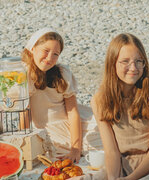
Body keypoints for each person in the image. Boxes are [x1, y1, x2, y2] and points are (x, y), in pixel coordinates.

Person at [63, 34, 149, 180]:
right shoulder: (100, 100)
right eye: (125, 61)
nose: (133, 68)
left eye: (139, 61)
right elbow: (112, 151)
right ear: (112, 64)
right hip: (121, 163)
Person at [21, 28, 101, 163]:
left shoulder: (61, 73)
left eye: (55, 54)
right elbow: (24, 113)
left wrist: (75, 149)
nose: (49, 58)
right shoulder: (24, 75)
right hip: (47, 131)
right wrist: (24, 143)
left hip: (74, 124)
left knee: (110, 136)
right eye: (46, 51)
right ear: (33, 48)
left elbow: (73, 112)